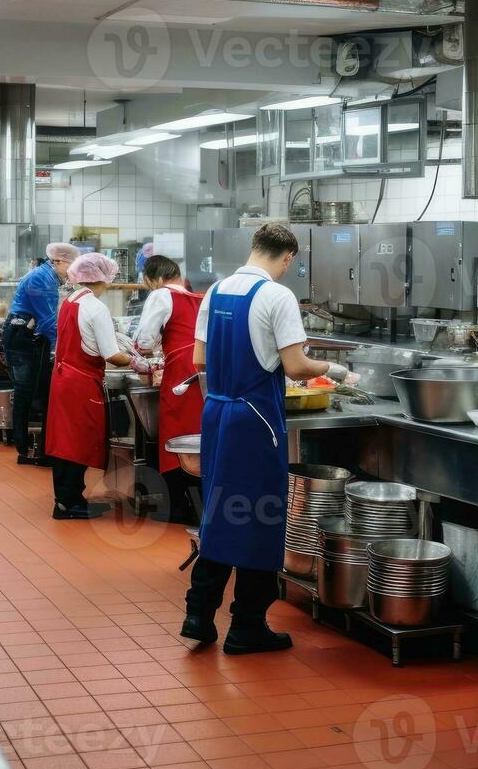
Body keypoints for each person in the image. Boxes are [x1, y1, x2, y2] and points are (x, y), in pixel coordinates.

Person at [181, 223, 357, 655]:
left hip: (217, 415)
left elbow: (199, 358)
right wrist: (336, 372)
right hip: (255, 420)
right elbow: (296, 366)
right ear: (287, 258)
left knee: (221, 514)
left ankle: (198, 615)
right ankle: (247, 626)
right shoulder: (277, 296)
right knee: (260, 519)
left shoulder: (217, 291)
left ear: (253, 248)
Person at [44, 252, 146, 520]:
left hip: (63, 378)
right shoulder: (96, 307)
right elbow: (112, 355)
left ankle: (69, 499)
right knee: (77, 442)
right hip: (81, 382)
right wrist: (137, 362)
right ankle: (68, 504)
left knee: (64, 440)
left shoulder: (70, 301)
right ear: (103, 277)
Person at [134, 254, 203, 524]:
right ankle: (199, 505)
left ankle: (176, 507)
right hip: (204, 372)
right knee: (199, 438)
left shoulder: (161, 295)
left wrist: (143, 354)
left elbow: (145, 339)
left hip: (179, 376)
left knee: (175, 436)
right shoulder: (198, 297)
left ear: (155, 279)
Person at [3, 242, 79, 464]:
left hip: (28, 336)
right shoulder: (42, 279)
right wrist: (60, 346)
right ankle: (24, 450)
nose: (72, 274)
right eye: (71, 267)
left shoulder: (48, 277)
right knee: (26, 393)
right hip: (21, 336)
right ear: (59, 262)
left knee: (42, 392)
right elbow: (47, 321)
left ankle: (44, 449)